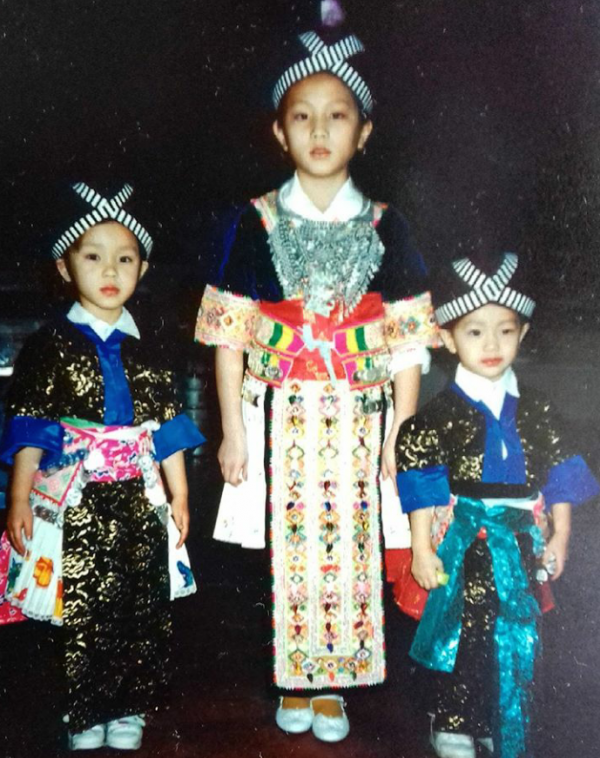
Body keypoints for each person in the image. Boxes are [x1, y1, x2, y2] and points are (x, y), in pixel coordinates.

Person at [195, 22, 438, 743]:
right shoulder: (255, 221)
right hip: (282, 413)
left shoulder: (389, 227)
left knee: (353, 545)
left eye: (337, 115)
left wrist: (401, 428)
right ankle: (294, 675)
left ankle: (334, 686)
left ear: (363, 133)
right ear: (280, 132)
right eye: (303, 115)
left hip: (361, 417)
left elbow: (406, 345)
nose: (320, 129)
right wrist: (236, 430)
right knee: (290, 547)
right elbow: (230, 334)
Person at [0, 182, 204, 751]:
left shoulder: (149, 348)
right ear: (65, 268)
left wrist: (180, 494)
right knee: (83, 601)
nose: (110, 269)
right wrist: (18, 497)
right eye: (93, 255)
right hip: (77, 499)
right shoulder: (49, 345)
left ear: (142, 267)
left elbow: (168, 429)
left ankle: (128, 703)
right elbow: (32, 428)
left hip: (140, 496)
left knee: (141, 603)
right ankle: (86, 708)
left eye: (125, 258)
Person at [394, 251, 600, 758]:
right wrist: (422, 547)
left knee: (516, 631)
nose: (491, 345)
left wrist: (561, 535)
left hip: (520, 541)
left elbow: (559, 475)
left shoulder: (537, 409)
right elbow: (421, 480)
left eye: (505, 331)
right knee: (460, 632)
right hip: (464, 540)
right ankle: (452, 721)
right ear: (446, 338)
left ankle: (495, 717)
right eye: (474, 332)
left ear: (523, 334)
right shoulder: (438, 416)